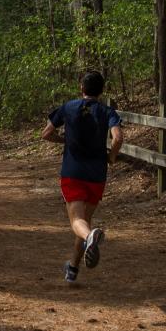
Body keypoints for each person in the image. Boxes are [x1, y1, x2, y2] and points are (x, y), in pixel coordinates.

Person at [42, 71, 123, 283]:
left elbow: (47, 133)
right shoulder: (107, 111)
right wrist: (112, 157)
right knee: (85, 221)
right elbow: (118, 137)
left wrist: (65, 141)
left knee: (78, 222)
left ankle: (90, 237)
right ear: (102, 91)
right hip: (97, 174)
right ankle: (73, 269)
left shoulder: (68, 107)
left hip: (73, 172)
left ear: (82, 88)